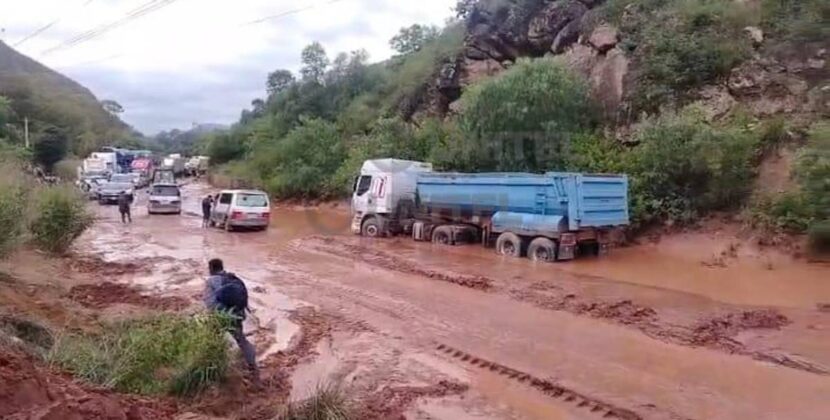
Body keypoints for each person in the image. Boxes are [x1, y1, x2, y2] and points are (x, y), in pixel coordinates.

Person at [204, 258, 259, 381]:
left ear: (211, 268)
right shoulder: (233, 278)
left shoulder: (211, 281)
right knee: (242, 341)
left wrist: (213, 316)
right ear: (222, 267)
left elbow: (209, 303)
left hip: (219, 317)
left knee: (212, 341)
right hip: (236, 316)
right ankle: (253, 367)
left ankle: (214, 369)